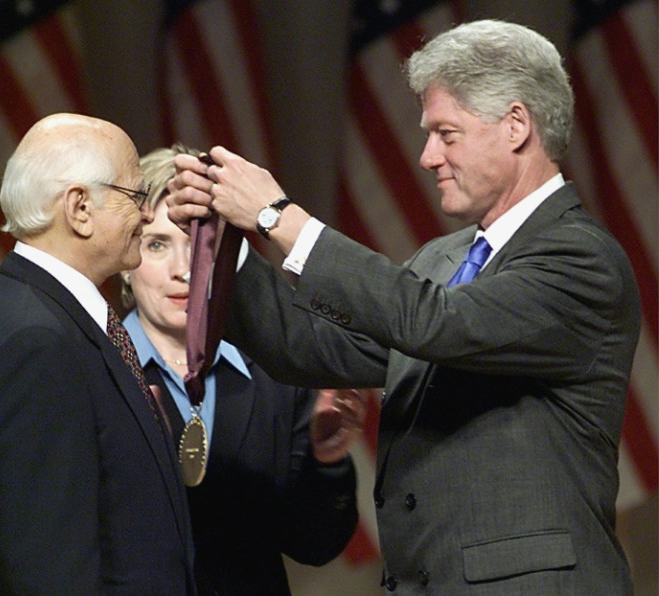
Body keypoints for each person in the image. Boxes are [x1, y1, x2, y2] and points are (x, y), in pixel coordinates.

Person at [165, 19, 641, 595]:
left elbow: (438, 324)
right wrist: (225, 240)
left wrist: (279, 217)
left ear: (517, 125)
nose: (426, 157)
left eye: (446, 133)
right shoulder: (443, 259)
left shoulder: (579, 259)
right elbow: (311, 347)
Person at [0, 113, 195, 594]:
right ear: (80, 208)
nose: (148, 214)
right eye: (136, 197)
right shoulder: (36, 342)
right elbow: (50, 570)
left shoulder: (55, 317)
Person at [117, 144, 362, 595]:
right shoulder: (98, 369)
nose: (182, 271)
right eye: (156, 244)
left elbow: (314, 546)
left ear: (223, 258)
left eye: (199, 246)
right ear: (126, 263)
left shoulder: (277, 371)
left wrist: (327, 464)